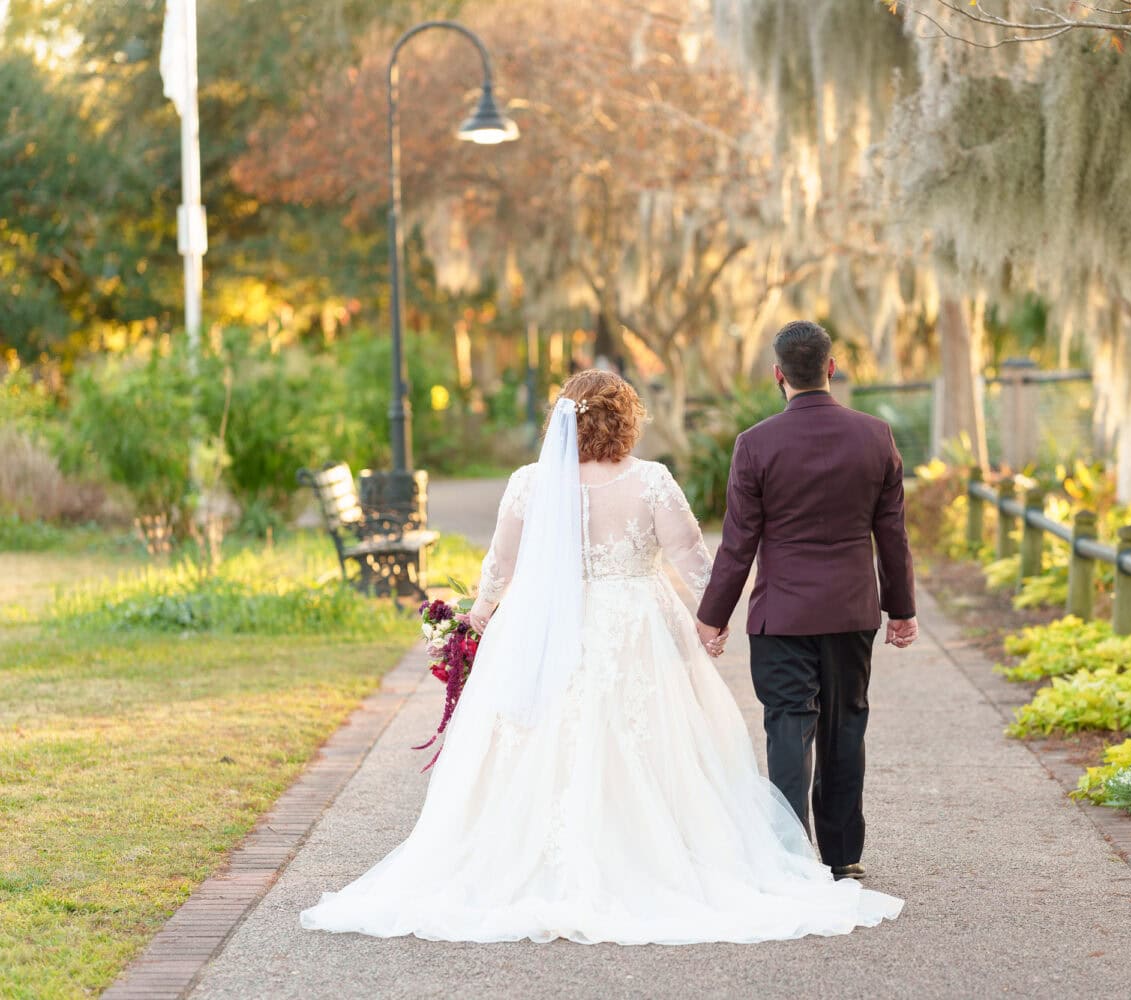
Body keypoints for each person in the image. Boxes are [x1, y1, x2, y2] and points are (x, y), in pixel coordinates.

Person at [300, 369, 901, 945]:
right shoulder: (651, 480)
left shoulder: (528, 484)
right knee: (650, 740)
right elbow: (694, 560)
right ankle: (660, 854)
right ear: (627, 421)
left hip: (541, 631)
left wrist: (478, 619)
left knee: (547, 739)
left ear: (564, 423)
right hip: (637, 623)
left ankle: (530, 859)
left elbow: (500, 569)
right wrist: (713, 617)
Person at [696, 320, 918, 882]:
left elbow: (738, 542)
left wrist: (712, 619)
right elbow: (892, 533)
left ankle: (789, 857)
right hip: (851, 612)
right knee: (846, 726)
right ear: (831, 368)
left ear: (778, 374)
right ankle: (843, 857)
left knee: (789, 729)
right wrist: (903, 609)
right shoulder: (876, 436)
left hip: (783, 616)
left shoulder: (755, 444)